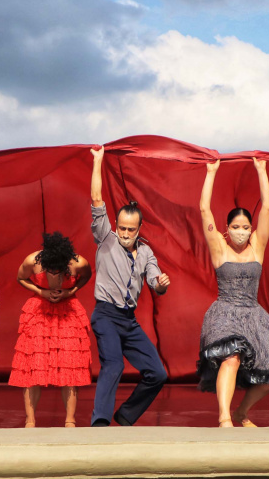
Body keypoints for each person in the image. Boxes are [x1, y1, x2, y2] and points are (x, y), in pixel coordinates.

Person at [197, 158, 269, 427]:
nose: (241, 232)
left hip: (254, 315)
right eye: (235, 227)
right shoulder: (219, 248)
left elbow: (268, 208)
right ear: (227, 230)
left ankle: (241, 412)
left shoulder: (258, 246)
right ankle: (225, 417)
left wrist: (262, 171)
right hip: (225, 313)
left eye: (245, 227)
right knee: (232, 357)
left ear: (251, 230)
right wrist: (211, 172)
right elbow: (204, 210)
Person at [88, 146, 170, 427]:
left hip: (129, 322)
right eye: (121, 227)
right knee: (114, 364)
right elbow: (97, 199)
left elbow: (155, 282)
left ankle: (125, 415)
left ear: (139, 229)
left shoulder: (146, 253)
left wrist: (160, 284)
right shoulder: (106, 239)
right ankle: (99, 423)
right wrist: (98, 160)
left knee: (158, 373)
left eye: (130, 229)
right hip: (106, 315)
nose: (124, 233)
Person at [9, 232, 93, 427]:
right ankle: (30, 420)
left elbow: (86, 275)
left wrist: (70, 291)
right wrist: (41, 291)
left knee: (69, 364)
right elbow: (21, 278)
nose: (54, 273)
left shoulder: (78, 263)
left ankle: (70, 420)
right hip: (39, 310)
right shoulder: (33, 260)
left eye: (59, 270)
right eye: (50, 269)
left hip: (68, 311)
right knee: (33, 365)